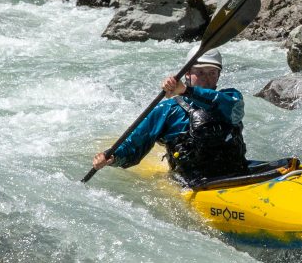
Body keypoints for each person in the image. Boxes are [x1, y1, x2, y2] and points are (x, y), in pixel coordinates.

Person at [92, 47, 246, 185]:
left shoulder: (231, 98)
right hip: (192, 183)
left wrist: (186, 90)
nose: (206, 78)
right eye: (200, 72)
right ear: (187, 73)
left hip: (238, 173)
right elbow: (135, 144)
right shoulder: (167, 110)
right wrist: (112, 157)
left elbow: (223, 105)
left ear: (218, 75)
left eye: (212, 73)